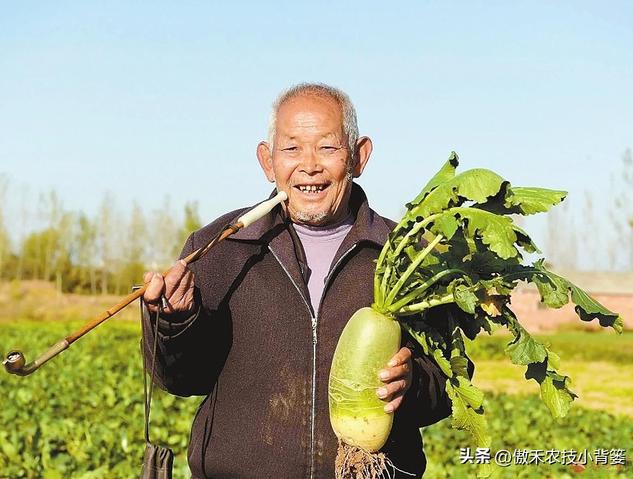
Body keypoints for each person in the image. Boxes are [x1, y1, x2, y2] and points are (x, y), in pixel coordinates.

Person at [142, 83, 453, 478]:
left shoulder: (407, 257)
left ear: (359, 157)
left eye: (327, 147)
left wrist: (413, 385)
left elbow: (448, 383)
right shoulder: (220, 248)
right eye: (291, 149)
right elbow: (179, 379)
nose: (309, 165)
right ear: (267, 161)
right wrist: (172, 321)